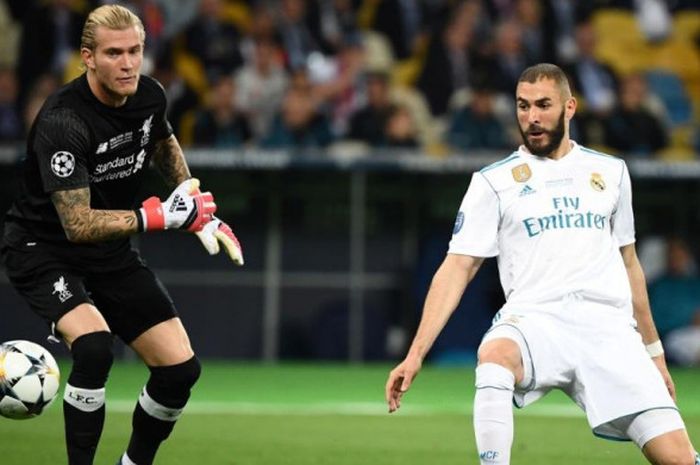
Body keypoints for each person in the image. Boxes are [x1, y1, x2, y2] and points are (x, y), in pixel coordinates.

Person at [385, 63, 699, 465]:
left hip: (607, 329)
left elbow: (630, 265)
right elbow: (457, 267)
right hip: (535, 321)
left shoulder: (611, 172)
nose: (531, 117)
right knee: (495, 356)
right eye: (523, 106)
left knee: (678, 459)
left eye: (543, 105)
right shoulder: (492, 182)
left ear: (569, 108)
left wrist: (654, 354)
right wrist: (415, 354)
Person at [0, 5, 243, 465]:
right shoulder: (63, 122)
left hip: (108, 250)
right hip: (44, 249)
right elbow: (78, 223)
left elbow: (162, 142)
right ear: (87, 57)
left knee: (179, 371)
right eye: (114, 54)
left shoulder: (149, 95)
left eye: (135, 51)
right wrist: (160, 217)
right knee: (94, 348)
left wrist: (196, 209)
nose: (128, 63)